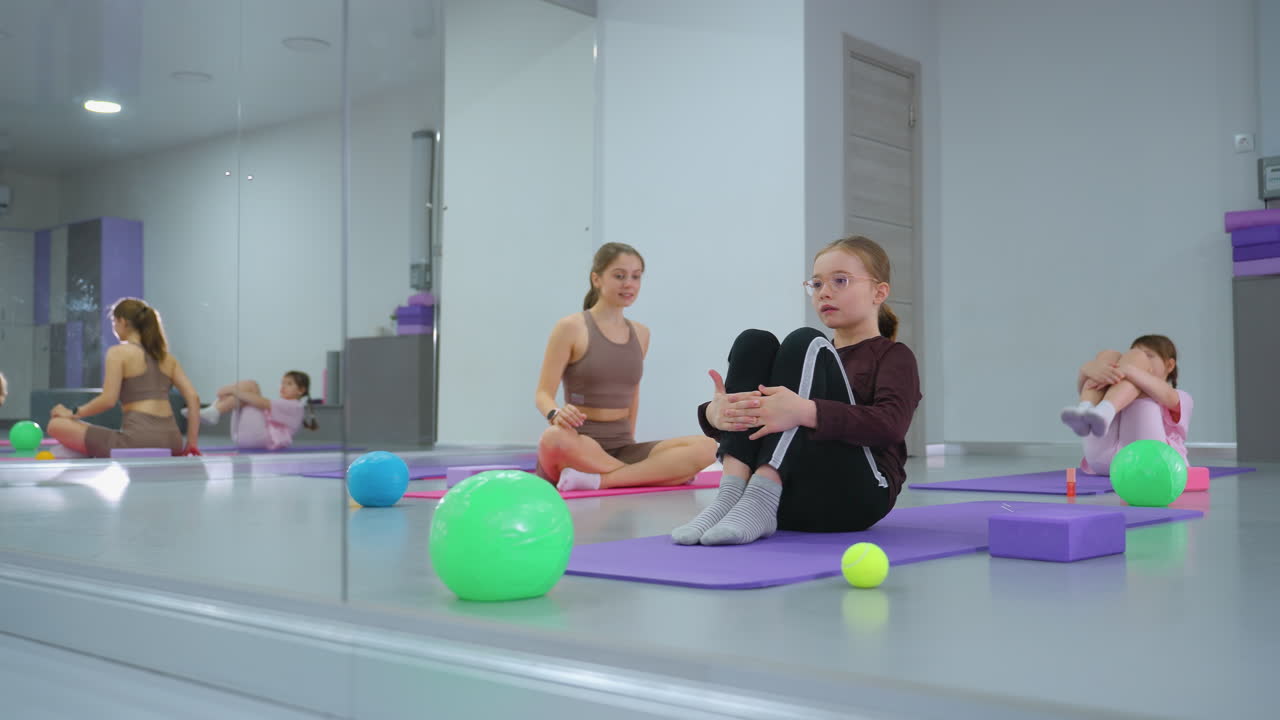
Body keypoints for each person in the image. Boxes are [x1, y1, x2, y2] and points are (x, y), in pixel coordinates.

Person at [671, 236, 921, 546]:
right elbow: (766, 413)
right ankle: (730, 494)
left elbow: (890, 425)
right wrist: (714, 413)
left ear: (878, 292)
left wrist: (807, 411)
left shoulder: (892, 356)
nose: (824, 292)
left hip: (854, 498)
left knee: (805, 341)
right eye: (816, 284)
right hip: (788, 500)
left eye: (840, 281)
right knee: (754, 342)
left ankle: (761, 492)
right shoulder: (809, 361)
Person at [534, 242, 717, 491]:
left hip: (623, 447)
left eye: (636, 276)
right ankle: (656, 474)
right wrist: (555, 413)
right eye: (619, 276)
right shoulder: (571, 328)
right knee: (553, 438)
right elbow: (543, 394)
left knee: (707, 447)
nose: (628, 284)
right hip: (579, 443)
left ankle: (602, 480)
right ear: (596, 279)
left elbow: (633, 394)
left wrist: (631, 441)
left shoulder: (641, 334)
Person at [46, 298, 200, 457]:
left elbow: (108, 400)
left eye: (114, 322)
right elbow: (193, 398)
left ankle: (81, 450)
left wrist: (73, 413)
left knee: (56, 424)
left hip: (138, 442)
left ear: (123, 321)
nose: (114, 327)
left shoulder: (118, 353)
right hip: (173, 443)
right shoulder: (167, 359)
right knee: (98, 433)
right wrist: (191, 443)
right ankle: (84, 449)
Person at [1059, 335, 1189, 475]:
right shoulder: (1118, 391)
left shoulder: (1180, 395)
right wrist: (1087, 370)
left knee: (1134, 371)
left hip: (1149, 460)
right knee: (1108, 355)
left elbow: (1169, 397)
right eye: (1134, 358)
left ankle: (1105, 410)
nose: (1142, 361)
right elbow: (1086, 388)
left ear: (1169, 365)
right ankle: (1087, 409)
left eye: (1149, 356)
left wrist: (1126, 369)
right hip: (1101, 462)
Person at [188, 371, 316, 450]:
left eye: (288, 384)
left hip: (261, 439)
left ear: (301, 390)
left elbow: (262, 403)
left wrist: (232, 390)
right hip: (246, 437)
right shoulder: (287, 404)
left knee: (251, 388)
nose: (282, 386)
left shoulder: (295, 406)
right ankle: (213, 411)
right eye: (282, 383)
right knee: (249, 391)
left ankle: (214, 409)